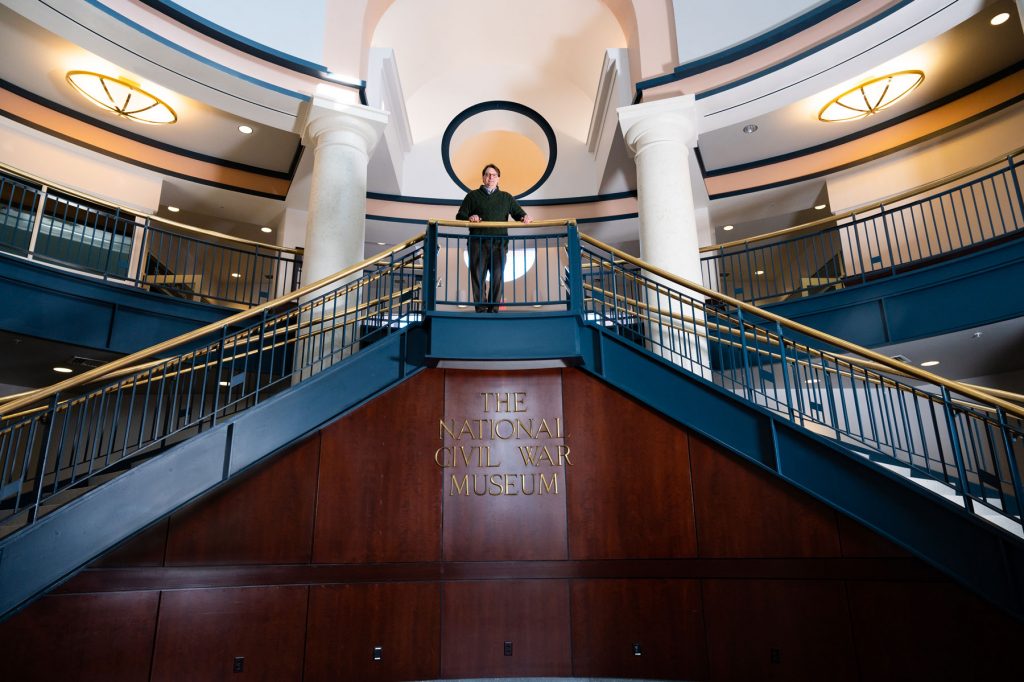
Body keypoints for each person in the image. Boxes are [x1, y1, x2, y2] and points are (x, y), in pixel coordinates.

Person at [456, 164, 533, 312]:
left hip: (499, 243)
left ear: (498, 178)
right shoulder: (472, 196)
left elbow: (518, 213)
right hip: (477, 243)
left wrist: (524, 217)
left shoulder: (506, 197)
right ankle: (481, 310)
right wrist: (470, 217)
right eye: (487, 174)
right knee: (477, 277)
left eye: (494, 175)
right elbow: (460, 216)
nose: (490, 177)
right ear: (483, 177)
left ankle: (493, 310)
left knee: (497, 277)